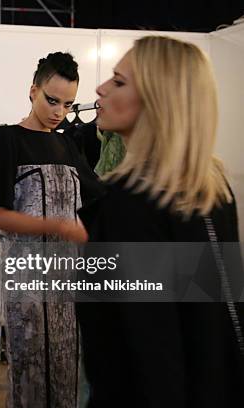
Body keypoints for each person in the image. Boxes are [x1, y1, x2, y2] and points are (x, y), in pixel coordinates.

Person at [76, 35, 244, 407]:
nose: (101, 88)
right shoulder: (213, 192)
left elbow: (147, 351)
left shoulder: (130, 206)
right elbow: (204, 325)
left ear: (157, 100)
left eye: (119, 81)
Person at [0, 52, 102, 407]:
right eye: (51, 100)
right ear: (32, 91)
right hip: (28, 281)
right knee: (30, 375)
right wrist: (54, 225)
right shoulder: (7, 139)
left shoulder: (67, 143)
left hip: (66, 281)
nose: (59, 111)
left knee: (66, 371)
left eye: (67, 104)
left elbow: (98, 196)